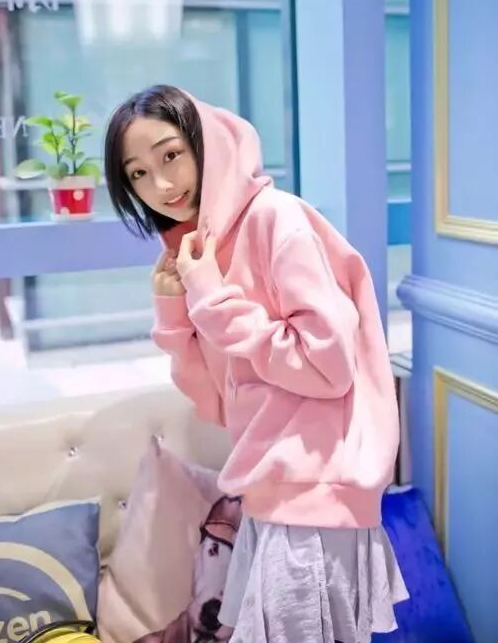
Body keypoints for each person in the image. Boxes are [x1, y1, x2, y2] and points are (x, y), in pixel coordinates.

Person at [104, 85, 409, 643]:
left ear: (205, 143)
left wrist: (212, 299)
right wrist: (176, 314)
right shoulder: (203, 251)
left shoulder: (277, 219)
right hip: (272, 499)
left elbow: (328, 367)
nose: (162, 185)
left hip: (314, 499)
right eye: (139, 173)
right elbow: (219, 403)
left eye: (171, 155)